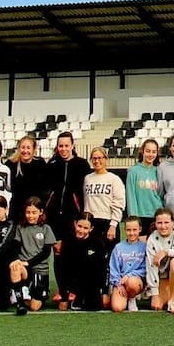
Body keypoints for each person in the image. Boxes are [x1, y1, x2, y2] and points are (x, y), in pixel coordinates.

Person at [45, 131, 91, 298]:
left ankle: (73, 288)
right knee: (57, 251)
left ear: (73, 146)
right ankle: (61, 288)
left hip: (72, 216)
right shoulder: (52, 165)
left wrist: (82, 213)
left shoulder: (82, 164)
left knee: (71, 251)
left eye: (66, 145)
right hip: (54, 216)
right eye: (60, 146)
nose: (63, 149)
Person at [10, 196, 55, 315]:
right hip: (24, 269)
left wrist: (29, 262)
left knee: (35, 307)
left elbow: (46, 252)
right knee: (15, 267)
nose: (30, 216)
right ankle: (20, 303)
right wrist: (17, 260)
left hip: (39, 270)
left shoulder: (46, 229)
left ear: (41, 212)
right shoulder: (20, 228)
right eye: (28, 212)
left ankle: (25, 294)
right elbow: (15, 245)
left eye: (34, 212)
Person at [146, 207, 174, 314]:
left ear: (172, 222)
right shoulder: (152, 239)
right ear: (155, 224)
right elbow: (151, 267)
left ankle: (173, 300)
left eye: (166, 222)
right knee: (157, 306)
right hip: (162, 275)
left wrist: (166, 252)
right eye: (159, 223)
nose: (163, 226)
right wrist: (155, 294)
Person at [59, 212, 108, 311]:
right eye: (79, 226)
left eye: (85, 228)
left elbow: (103, 269)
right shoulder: (68, 242)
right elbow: (62, 269)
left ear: (91, 229)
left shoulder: (98, 243)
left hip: (92, 283)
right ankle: (76, 297)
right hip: (74, 282)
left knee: (95, 307)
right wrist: (64, 296)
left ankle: (84, 298)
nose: (81, 230)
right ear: (75, 224)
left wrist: (104, 292)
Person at [83, 147, 126, 243]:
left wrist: (113, 225)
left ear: (106, 159)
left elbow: (119, 204)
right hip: (91, 223)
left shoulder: (114, 179)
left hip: (108, 222)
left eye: (100, 158)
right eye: (94, 158)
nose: (97, 161)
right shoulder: (87, 179)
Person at [108, 217, 148, 312]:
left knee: (132, 282)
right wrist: (118, 284)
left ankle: (132, 298)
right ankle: (120, 296)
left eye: (134, 230)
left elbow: (146, 268)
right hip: (121, 282)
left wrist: (129, 275)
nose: (131, 233)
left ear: (140, 229)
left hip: (136, 281)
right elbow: (113, 268)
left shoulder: (144, 247)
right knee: (118, 308)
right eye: (128, 230)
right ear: (124, 230)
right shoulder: (118, 247)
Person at [7, 135, 48, 220]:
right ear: (19, 148)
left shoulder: (40, 163)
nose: (25, 151)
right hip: (17, 211)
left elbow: (45, 189)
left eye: (28, 148)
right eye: (23, 147)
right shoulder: (11, 164)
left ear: (34, 149)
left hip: (34, 211)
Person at [126, 139, 163, 233]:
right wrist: (133, 217)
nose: (150, 154)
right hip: (140, 215)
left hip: (157, 215)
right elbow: (131, 195)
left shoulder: (159, 171)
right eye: (148, 151)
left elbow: (162, 194)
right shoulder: (133, 171)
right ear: (142, 151)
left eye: (154, 152)